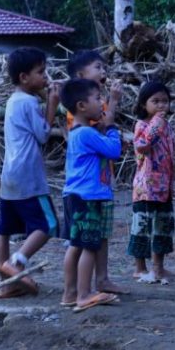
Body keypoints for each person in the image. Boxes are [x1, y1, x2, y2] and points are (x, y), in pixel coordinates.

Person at [0, 47, 61, 299]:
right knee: (48, 224)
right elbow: (43, 134)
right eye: (41, 72)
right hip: (28, 175)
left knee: (3, 229)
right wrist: (52, 104)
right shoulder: (31, 102)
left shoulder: (13, 100)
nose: (46, 77)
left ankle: (4, 284)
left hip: (9, 174)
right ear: (24, 78)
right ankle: (18, 262)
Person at [65, 49, 129, 295]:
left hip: (100, 181)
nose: (103, 72)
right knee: (87, 242)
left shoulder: (93, 103)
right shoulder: (80, 109)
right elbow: (105, 126)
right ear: (81, 75)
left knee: (100, 235)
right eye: (97, 68)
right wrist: (113, 103)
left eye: (104, 67)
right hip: (89, 187)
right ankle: (81, 292)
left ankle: (99, 281)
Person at [59, 78, 122, 312]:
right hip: (88, 197)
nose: (102, 103)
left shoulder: (76, 132)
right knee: (89, 246)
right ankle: (84, 294)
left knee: (75, 245)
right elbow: (114, 150)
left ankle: (70, 292)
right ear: (82, 106)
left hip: (74, 195)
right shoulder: (86, 133)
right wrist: (112, 126)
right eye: (98, 98)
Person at [128, 81, 175, 284]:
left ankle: (158, 267)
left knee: (162, 226)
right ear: (143, 105)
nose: (161, 106)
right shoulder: (142, 125)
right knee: (143, 226)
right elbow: (142, 145)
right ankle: (140, 268)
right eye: (155, 101)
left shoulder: (167, 126)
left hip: (164, 186)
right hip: (146, 188)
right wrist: (156, 123)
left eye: (164, 101)